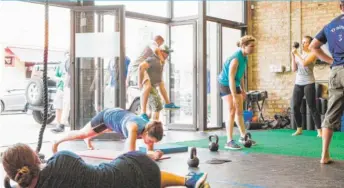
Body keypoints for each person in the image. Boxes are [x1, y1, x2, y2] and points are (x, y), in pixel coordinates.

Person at [2, 143, 209, 188]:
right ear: (36, 160)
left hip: (132, 179)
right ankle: (186, 180)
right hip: (131, 173)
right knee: (134, 164)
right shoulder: (62, 159)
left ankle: (186, 180)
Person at [52, 108, 164, 160]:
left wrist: (153, 154)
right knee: (83, 134)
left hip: (118, 119)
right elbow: (130, 154)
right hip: (107, 117)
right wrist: (153, 155)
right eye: (150, 140)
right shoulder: (133, 128)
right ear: (147, 132)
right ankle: (57, 140)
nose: (149, 143)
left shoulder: (150, 129)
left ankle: (89, 137)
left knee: (96, 132)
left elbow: (150, 150)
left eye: (153, 142)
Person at [309, 0, 344, 164]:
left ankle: (324, 155)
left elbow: (313, 46)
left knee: (331, 113)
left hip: (336, 72)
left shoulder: (330, 25)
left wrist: (331, 61)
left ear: (340, 7)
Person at [217, 35, 257, 150]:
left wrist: (243, 90)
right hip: (225, 83)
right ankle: (229, 141)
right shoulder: (235, 59)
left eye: (254, 46)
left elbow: (240, 76)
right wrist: (234, 96)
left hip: (235, 82)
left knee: (239, 110)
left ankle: (243, 136)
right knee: (231, 110)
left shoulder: (245, 57)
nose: (253, 48)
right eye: (251, 46)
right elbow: (230, 78)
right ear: (244, 46)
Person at [291, 36, 322, 137]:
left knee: (312, 106)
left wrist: (296, 54)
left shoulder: (313, 54)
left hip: (309, 82)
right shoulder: (300, 54)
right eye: (302, 42)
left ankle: (319, 131)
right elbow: (294, 69)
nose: (303, 44)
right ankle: (299, 129)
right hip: (298, 83)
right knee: (295, 106)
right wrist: (293, 56)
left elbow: (304, 63)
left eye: (305, 42)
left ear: (310, 43)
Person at [138, 46, 180, 121]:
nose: (168, 55)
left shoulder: (160, 61)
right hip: (150, 87)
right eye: (166, 53)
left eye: (168, 53)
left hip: (154, 86)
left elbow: (160, 82)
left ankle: (150, 126)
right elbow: (141, 67)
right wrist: (140, 82)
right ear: (161, 52)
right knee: (158, 106)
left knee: (153, 110)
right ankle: (154, 128)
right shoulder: (153, 59)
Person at [51, 51, 70, 133]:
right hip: (63, 87)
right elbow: (55, 76)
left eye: (69, 54)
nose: (68, 56)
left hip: (68, 87)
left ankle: (62, 124)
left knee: (67, 105)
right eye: (67, 54)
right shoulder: (63, 64)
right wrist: (62, 79)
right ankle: (59, 124)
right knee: (60, 105)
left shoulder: (71, 63)